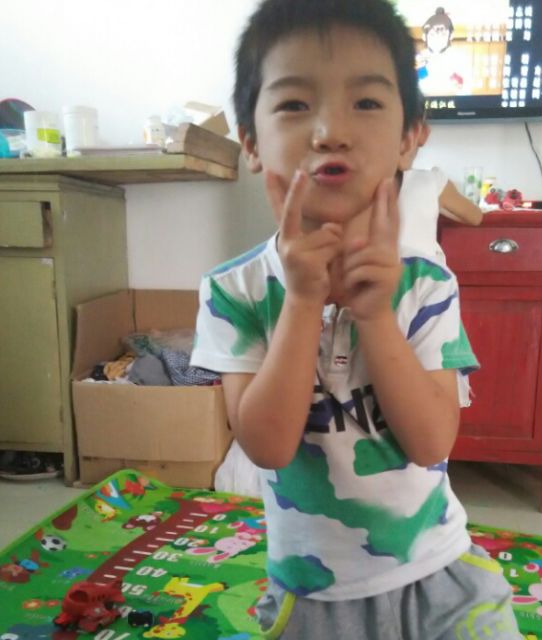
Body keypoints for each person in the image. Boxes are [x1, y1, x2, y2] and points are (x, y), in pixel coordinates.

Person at [191, 1, 520, 638]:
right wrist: (302, 303)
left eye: (365, 102)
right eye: (294, 104)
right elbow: (266, 446)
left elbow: (432, 442)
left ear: (409, 138)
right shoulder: (232, 292)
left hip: (436, 575)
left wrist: (376, 317)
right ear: (250, 142)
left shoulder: (426, 285)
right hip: (312, 594)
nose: (330, 131)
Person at [399, 119, 483, 263]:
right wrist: (438, 203)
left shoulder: (360, 184)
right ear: (422, 133)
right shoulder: (432, 181)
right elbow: (475, 217)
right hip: (422, 273)